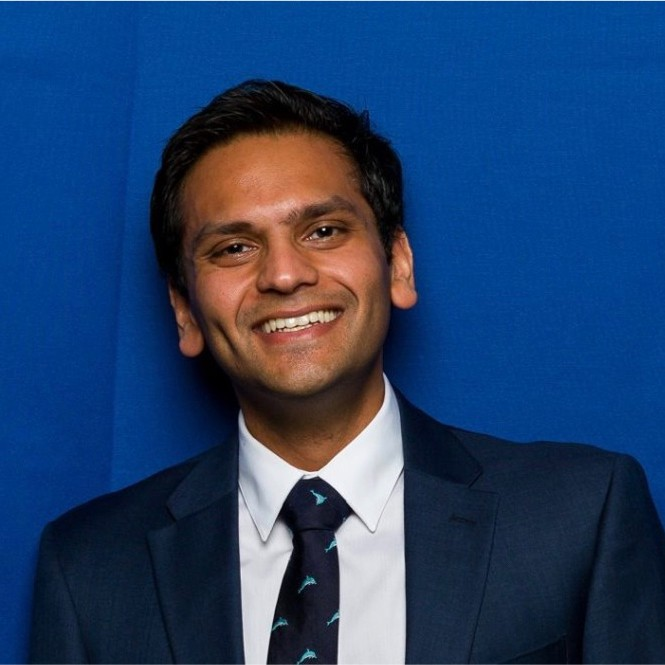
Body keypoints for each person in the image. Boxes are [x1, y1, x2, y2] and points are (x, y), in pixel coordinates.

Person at [30, 80, 665, 664]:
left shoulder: (580, 517)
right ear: (184, 311)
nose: (284, 275)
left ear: (398, 265)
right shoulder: (90, 569)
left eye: (324, 230)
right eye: (234, 248)